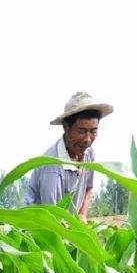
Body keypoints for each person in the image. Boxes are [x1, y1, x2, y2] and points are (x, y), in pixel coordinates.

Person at [24, 92, 113, 221]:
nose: (88, 139)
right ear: (66, 128)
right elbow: (52, 218)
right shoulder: (52, 168)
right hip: (41, 228)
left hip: (67, 224)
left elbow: (88, 187)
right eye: (82, 131)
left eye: (93, 131)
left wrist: (82, 213)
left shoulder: (88, 153)